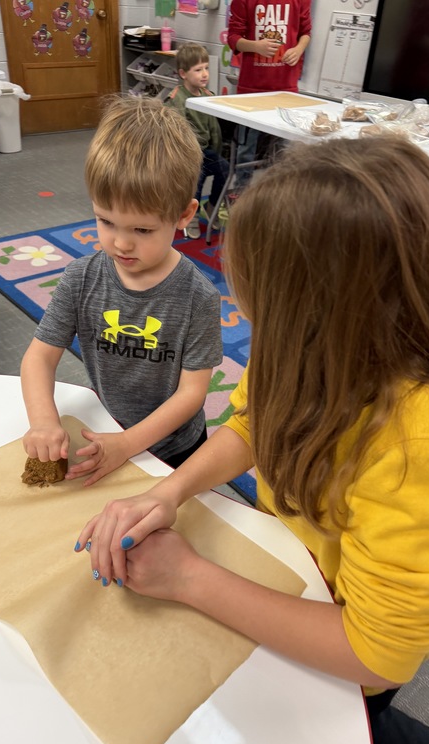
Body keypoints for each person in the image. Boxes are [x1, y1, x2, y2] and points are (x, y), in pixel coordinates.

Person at [76, 136, 429, 744]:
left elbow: (376, 653)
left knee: (353, 733)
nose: (240, 310)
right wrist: (174, 490)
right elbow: (252, 421)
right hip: (297, 578)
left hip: (342, 641)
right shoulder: (312, 344)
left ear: (330, 308)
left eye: (255, 296)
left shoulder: (427, 447)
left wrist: (188, 576)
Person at [21, 96, 223, 484]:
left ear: (184, 215)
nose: (120, 244)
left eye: (142, 230)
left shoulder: (198, 297)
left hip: (174, 448)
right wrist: (44, 422)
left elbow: (192, 394)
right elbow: (38, 359)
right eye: (105, 221)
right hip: (106, 428)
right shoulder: (81, 278)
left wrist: (129, 444)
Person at [227, 0, 312, 191]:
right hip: (251, 90)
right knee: (246, 150)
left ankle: (277, 196)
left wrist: (298, 50)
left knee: (284, 151)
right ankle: (240, 193)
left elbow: (306, 33)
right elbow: (233, 37)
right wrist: (255, 46)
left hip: (286, 89)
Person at [166, 43, 229, 239]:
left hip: (207, 152)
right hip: (185, 156)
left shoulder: (209, 96)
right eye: (198, 70)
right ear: (183, 73)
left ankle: (211, 206)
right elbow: (175, 134)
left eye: (206, 68)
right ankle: (188, 215)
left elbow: (215, 131)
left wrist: (218, 152)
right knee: (197, 177)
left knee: (226, 169)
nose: (204, 74)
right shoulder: (176, 99)